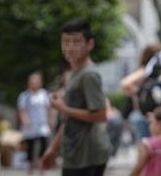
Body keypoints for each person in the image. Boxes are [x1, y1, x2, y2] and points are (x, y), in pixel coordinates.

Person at [41, 19, 110, 175]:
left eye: (76, 42)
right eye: (65, 42)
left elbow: (100, 114)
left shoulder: (89, 75)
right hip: (75, 153)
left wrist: (63, 108)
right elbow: (69, 119)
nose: (70, 47)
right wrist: (53, 148)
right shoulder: (75, 74)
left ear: (90, 44)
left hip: (88, 155)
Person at [121, 43, 161, 140]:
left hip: (145, 115)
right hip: (144, 116)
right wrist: (140, 93)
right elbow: (125, 84)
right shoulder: (146, 70)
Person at [17, 71, 54, 173]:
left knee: (44, 146)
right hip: (30, 126)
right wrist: (25, 120)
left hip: (42, 125)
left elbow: (49, 109)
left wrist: (51, 120)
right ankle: (30, 170)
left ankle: (42, 168)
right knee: (30, 148)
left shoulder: (45, 94)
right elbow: (22, 110)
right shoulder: (24, 96)